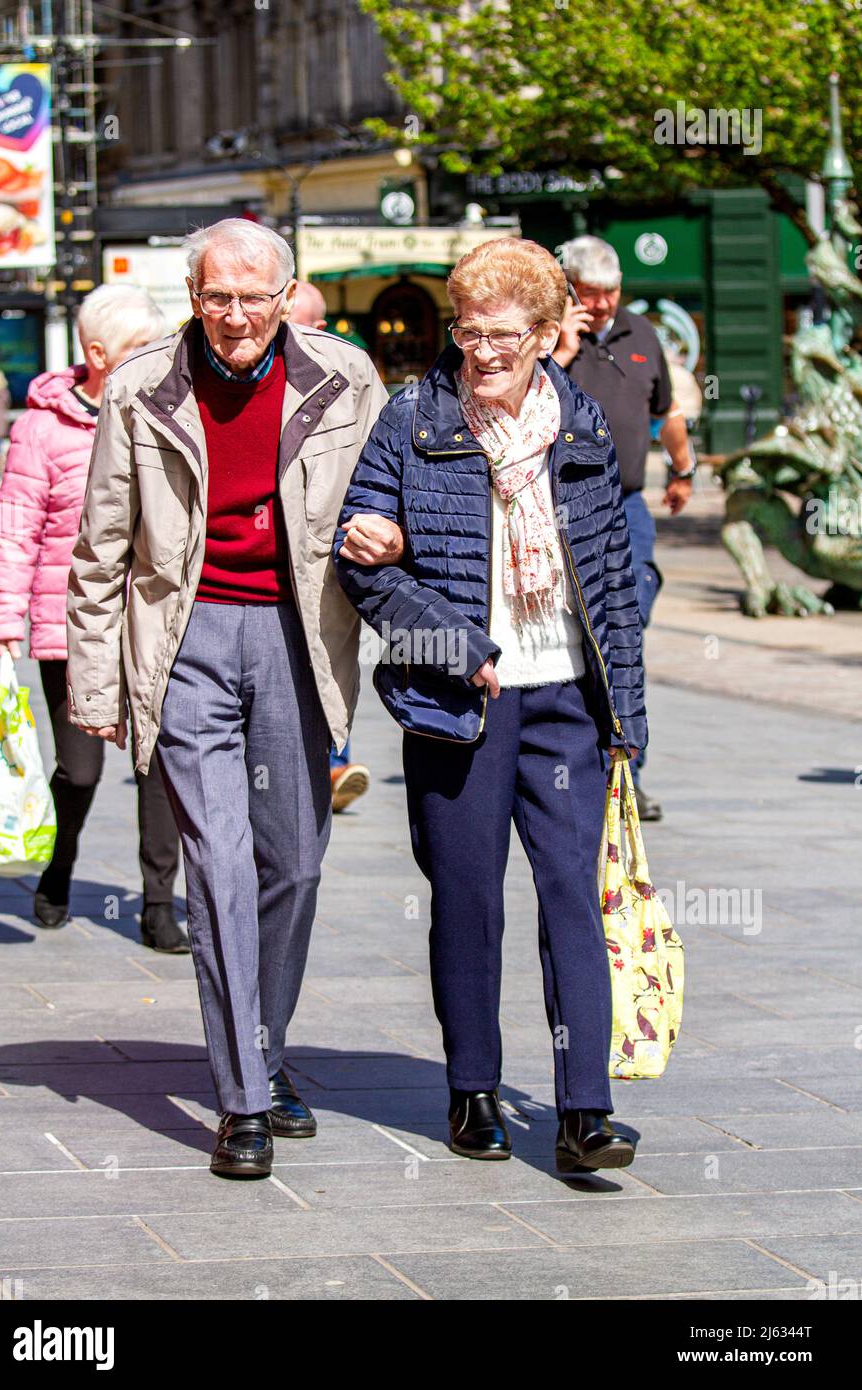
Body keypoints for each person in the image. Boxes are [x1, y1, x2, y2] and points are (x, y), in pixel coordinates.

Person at [66, 219, 398, 1180]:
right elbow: (100, 553)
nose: (237, 316)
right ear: (193, 296)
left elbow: (395, 497)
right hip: (186, 639)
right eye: (219, 297)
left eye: (256, 297)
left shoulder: (345, 379)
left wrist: (394, 540)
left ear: (288, 295)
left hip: (301, 637)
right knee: (218, 867)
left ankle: (265, 1045)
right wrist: (97, 685)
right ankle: (242, 1097)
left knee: (292, 861)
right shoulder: (139, 387)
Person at [334, 237, 646, 1174]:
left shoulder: (583, 426)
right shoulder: (412, 418)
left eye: (506, 334)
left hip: (564, 700)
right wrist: (454, 646)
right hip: (460, 703)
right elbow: (362, 568)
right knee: (467, 899)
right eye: (469, 332)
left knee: (570, 902)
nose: (485, 351)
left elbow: (615, 583)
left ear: (550, 335)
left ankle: (583, 1111)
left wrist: (625, 715)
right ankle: (472, 1091)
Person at [0, 285, 187, 952]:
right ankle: (60, 865)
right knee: (80, 770)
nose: (155, 360)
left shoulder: (168, 410)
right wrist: (4, 616)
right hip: (69, 626)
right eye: (139, 350)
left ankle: (159, 905)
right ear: (98, 355)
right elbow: (13, 529)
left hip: (154, 620)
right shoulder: (41, 427)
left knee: (157, 763)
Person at [553, 235, 695, 822]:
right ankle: (574, 766)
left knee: (628, 620)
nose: (605, 304)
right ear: (569, 290)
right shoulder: (548, 335)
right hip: (562, 503)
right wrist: (562, 346)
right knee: (576, 635)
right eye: (592, 293)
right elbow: (519, 398)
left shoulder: (643, 334)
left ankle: (626, 777)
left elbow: (667, 413)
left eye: (612, 292)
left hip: (627, 503)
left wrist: (684, 470)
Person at [289, 279, 372, 813]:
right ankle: (328, 765)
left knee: (327, 661)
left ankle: (334, 760)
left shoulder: (351, 382)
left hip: (329, 565)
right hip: (268, 578)